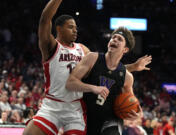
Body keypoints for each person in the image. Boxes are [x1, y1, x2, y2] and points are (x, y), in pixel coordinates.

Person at [23, 0, 152, 135]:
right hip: (52, 104)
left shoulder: (83, 50)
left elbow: (103, 69)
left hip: (75, 107)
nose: (75, 30)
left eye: (76, 28)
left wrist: (133, 67)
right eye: (70, 27)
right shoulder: (51, 46)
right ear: (59, 28)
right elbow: (45, 19)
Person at [66, 27, 150, 135]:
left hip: (111, 120)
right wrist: (93, 88)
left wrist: (138, 113)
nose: (114, 40)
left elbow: (132, 102)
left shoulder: (127, 77)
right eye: (113, 37)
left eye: (119, 39)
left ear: (125, 49)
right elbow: (70, 83)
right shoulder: (92, 58)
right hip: (87, 117)